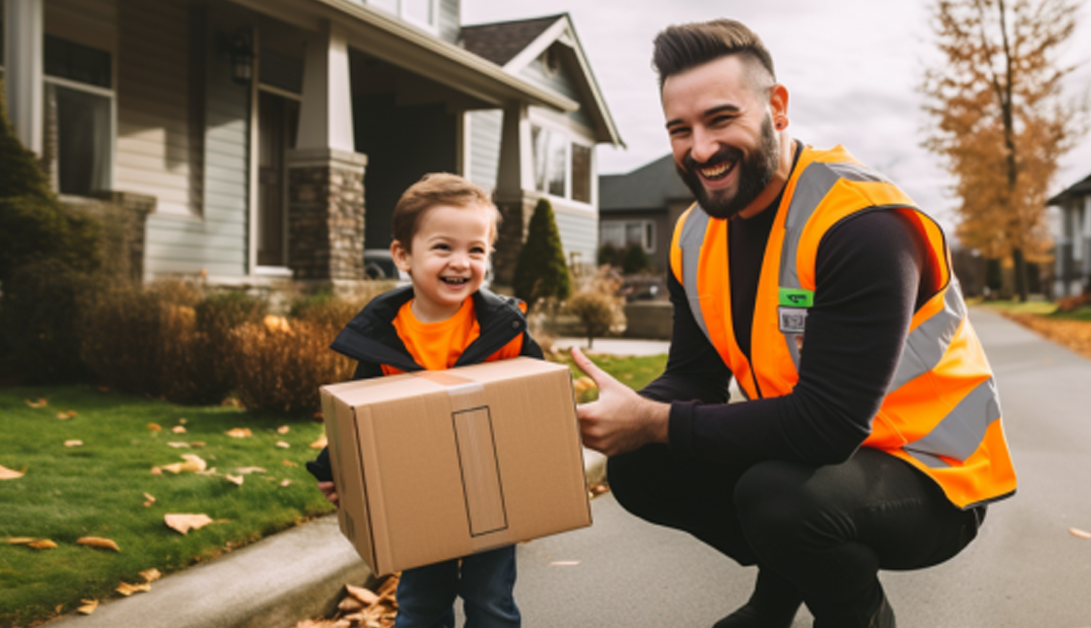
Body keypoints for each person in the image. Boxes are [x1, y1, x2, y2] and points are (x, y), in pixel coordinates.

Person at [570, 19, 1016, 628]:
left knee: (778, 498)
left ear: (776, 109)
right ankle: (778, 599)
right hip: (813, 462)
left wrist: (656, 422)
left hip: (933, 477)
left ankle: (854, 616)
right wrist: (620, 414)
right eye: (681, 129)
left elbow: (826, 427)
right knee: (641, 466)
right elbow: (692, 378)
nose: (700, 149)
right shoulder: (693, 235)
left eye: (720, 119)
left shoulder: (862, 227)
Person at [307, 173, 542, 628]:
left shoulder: (502, 330)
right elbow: (360, 416)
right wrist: (333, 468)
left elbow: (533, 403)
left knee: (491, 602)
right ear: (402, 256)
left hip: (488, 486)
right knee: (419, 604)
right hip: (419, 492)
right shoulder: (383, 337)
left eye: (476, 249)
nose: (461, 261)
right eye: (442, 247)